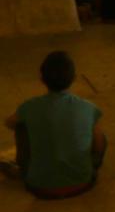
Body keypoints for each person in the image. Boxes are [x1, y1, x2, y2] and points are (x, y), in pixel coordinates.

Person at [3, 52, 106, 199]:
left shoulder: (30, 106)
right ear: (74, 78)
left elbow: (9, 123)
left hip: (39, 186)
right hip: (82, 182)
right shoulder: (88, 107)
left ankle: (24, 167)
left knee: (21, 126)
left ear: (42, 79)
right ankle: (84, 166)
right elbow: (99, 145)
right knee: (99, 135)